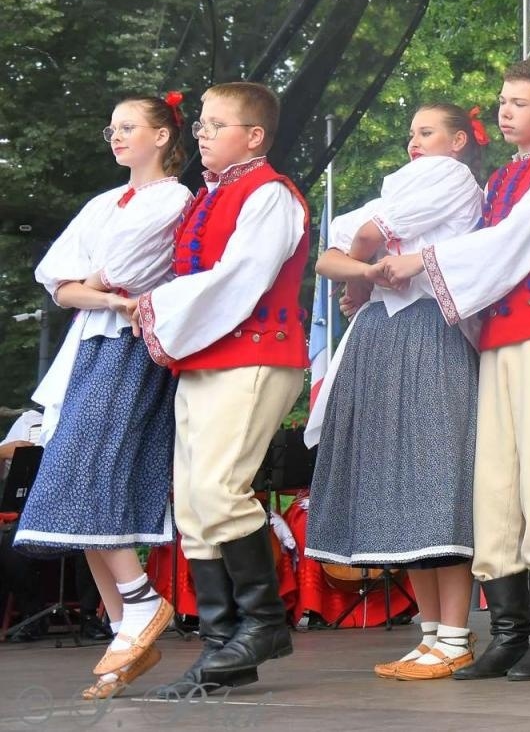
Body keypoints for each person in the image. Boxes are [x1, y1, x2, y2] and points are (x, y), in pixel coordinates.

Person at [376, 59, 530, 682]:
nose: (505, 111)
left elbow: (515, 241)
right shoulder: (501, 177)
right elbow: (479, 239)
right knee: (494, 481)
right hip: (500, 332)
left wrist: (424, 259)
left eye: (519, 102)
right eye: (503, 101)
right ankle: (508, 632)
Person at [131, 81, 312, 696]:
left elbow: (243, 279)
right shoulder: (209, 197)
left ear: (254, 136)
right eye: (202, 124)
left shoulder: (271, 195)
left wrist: (155, 306)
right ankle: (221, 642)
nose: (201, 133)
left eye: (215, 124)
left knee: (217, 488)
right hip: (208, 361)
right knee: (193, 504)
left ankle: (262, 624)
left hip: (256, 356)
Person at [14, 95, 189, 699]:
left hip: (131, 346)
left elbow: (113, 268)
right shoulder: (101, 202)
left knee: (92, 473)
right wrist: (94, 288)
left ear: (163, 136)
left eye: (128, 128)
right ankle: (124, 631)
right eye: (110, 128)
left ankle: (139, 604)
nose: (115, 137)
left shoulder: (173, 199)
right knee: (69, 481)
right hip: (92, 346)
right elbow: (57, 281)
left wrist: (94, 286)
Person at [304, 103, 486, 680]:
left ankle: (455, 633)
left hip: (429, 327)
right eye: (411, 134)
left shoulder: (451, 177)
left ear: (458, 141)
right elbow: (328, 260)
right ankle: (430, 632)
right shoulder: (401, 185)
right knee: (402, 478)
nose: (414, 142)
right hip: (384, 332)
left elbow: (359, 237)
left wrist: (362, 266)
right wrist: (368, 272)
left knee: (435, 475)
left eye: (426, 133)